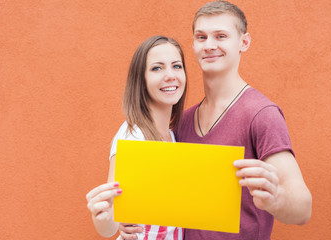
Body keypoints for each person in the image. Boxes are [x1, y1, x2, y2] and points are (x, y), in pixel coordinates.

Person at [118, 1, 312, 240]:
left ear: (244, 42)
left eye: (221, 36)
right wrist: (126, 219)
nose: (209, 45)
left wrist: (276, 198)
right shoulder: (183, 121)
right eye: (201, 37)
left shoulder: (262, 114)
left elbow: (303, 209)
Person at [86, 35, 187, 240]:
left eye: (177, 66)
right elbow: (110, 223)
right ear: (141, 80)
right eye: (157, 68)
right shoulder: (133, 136)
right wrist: (103, 216)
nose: (170, 75)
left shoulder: (172, 136)